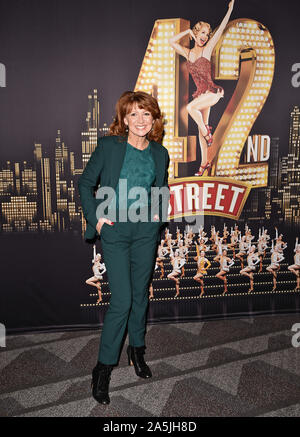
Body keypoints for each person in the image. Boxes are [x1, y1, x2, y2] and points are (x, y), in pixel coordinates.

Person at [78, 91, 170, 405]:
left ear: (154, 119)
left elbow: (161, 187)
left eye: (146, 114)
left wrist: (158, 217)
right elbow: (85, 182)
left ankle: (137, 351)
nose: (141, 121)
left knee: (141, 296)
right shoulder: (109, 147)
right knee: (124, 300)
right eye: (134, 114)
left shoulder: (160, 152)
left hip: (145, 231)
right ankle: (103, 368)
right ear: (124, 119)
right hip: (115, 231)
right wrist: (98, 220)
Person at [169, 0, 235, 176]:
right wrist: (187, 31)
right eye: (202, 33)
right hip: (201, 94)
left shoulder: (208, 49)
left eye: (207, 34)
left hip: (212, 92)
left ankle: (208, 134)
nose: (205, 36)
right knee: (200, 127)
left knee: (191, 108)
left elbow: (221, 29)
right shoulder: (188, 53)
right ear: (196, 33)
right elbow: (171, 41)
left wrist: (231, 10)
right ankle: (204, 163)